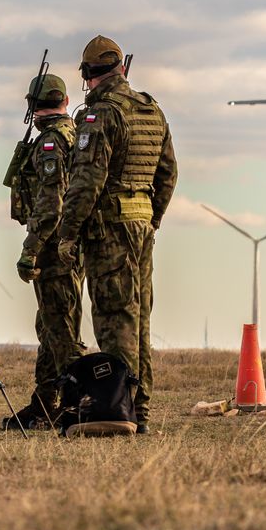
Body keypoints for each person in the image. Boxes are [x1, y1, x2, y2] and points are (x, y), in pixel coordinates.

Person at [56, 35, 177, 435]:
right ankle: (140, 411)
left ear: (89, 74)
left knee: (115, 320)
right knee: (140, 320)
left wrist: (68, 232)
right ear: (121, 67)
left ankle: (118, 409)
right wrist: (152, 218)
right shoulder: (151, 109)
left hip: (110, 230)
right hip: (142, 227)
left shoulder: (101, 115)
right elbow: (168, 173)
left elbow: (86, 181)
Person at [2, 73, 86, 430]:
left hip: (56, 246)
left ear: (33, 106)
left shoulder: (51, 143)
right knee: (51, 326)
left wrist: (30, 249)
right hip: (71, 243)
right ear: (64, 101)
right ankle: (44, 403)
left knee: (62, 331)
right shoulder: (75, 136)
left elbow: (51, 202)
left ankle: (74, 407)